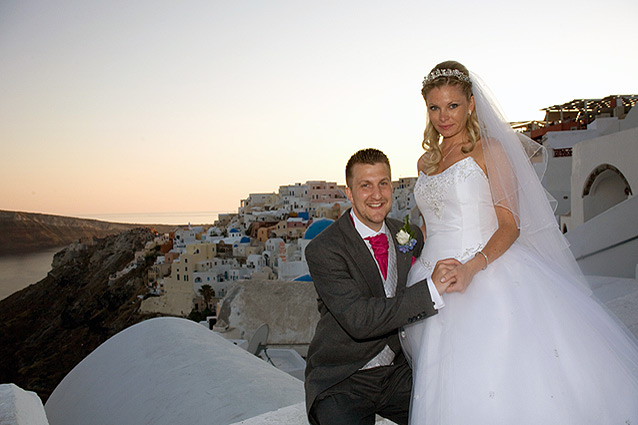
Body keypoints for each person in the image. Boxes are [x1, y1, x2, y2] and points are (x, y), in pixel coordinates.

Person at [403, 60, 638, 424]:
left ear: (470, 104)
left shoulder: (490, 150)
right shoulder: (425, 162)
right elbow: (430, 225)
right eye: (434, 107)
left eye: (452, 105)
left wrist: (471, 267)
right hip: (432, 283)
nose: (443, 116)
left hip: (484, 275)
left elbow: (509, 225)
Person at [304, 148, 459, 425]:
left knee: (453, 409)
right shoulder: (324, 249)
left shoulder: (406, 234)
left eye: (383, 183)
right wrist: (430, 291)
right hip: (344, 378)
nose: (377, 195)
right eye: (365, 185)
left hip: (397, 373)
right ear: (349, 193)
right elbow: (359, 320)